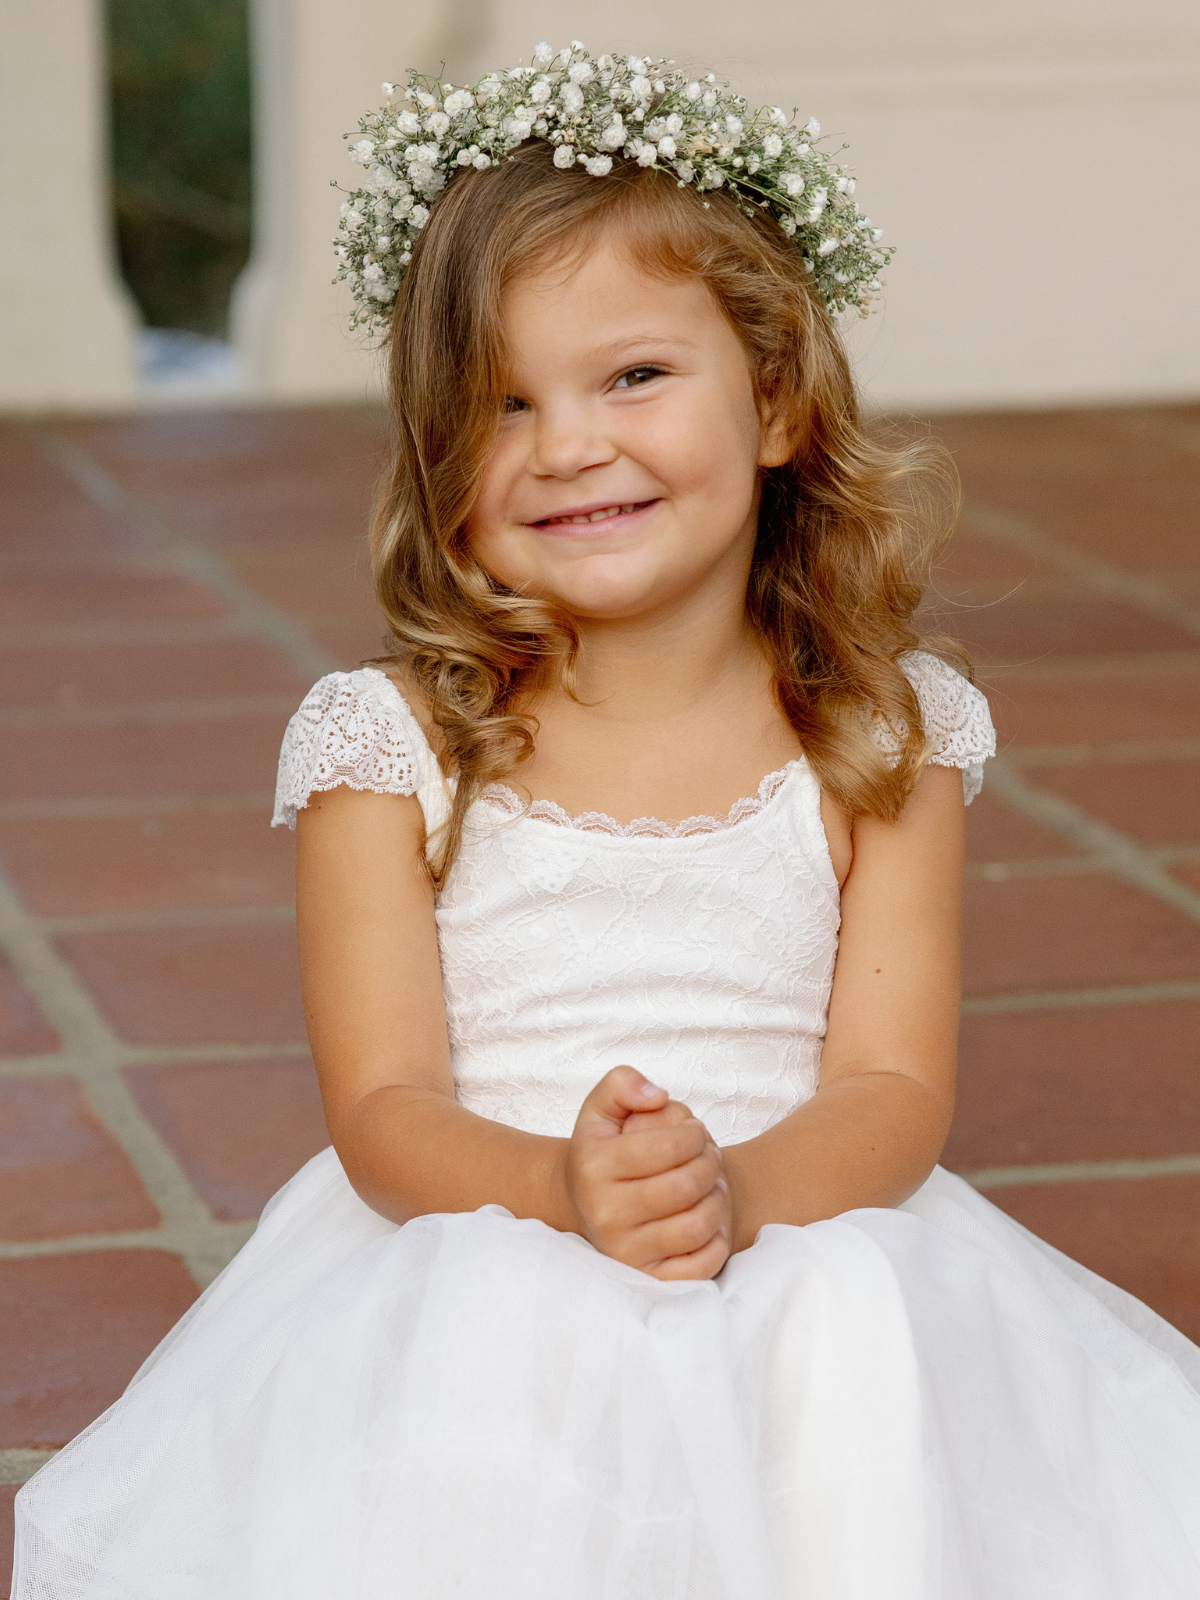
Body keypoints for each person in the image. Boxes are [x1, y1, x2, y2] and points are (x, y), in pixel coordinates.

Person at [15, 44, 1200, 1599]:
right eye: (500, 405)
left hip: (807, 1223)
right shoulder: (395, 746)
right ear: (441, 464)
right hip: (486, 1227)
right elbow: (384, 1115)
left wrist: (735, 1199)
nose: (569, 444)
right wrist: (571, 1196)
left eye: (633, 376)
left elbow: (895, 1084)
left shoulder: (880, 729)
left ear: (774, 397)